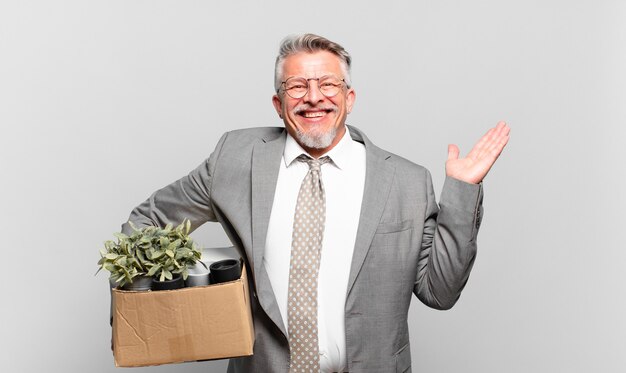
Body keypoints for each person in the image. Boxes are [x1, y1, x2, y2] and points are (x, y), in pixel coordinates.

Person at [121, 34, 510, 373]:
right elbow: (146, 222)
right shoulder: (235, 159)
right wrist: (198, 296)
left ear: (349, 97)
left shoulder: (407, 182)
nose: (313, 97)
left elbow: (439, 292)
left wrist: (461, 190)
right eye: (296, 86)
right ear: (278, 103)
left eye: (328, 84)